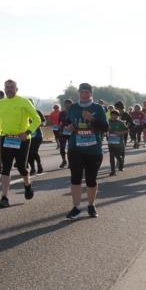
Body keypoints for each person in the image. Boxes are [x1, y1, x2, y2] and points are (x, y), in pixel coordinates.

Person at [0, 79, 40, 208]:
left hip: (22, 139)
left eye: (12, 87)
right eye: (7, 87)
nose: (9, 89)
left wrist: (27, 132)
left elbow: (37, 119)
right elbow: (1, 120)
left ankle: (27, 185)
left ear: (16, 89)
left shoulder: (24, 101)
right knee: (5, 168)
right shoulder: (1, 102)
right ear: (4, 89)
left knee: (21, 167)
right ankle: (4, 197)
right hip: (6, 139)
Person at [65, 83, 109, 219]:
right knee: (75, 178)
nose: (84, 94)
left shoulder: (98, 108)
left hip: (93, 149)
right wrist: (69, 127)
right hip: (75, 148)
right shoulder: (73, 107)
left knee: (91, 179)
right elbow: (67, 122)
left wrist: (92, 119)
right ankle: (76, 207)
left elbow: (105, 128)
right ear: (79, 92)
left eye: (86, 91)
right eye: (81, 91)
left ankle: (91, 205)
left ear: (91, 93)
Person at [107, 109, 128, 175]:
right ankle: (113, 171)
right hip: (111, 143)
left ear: (118, 116)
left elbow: (127, 130)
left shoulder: (120, 123)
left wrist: (120, 133)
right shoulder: (108, 122)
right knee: (111, 156)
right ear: (110, 116)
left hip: (119, 143)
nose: (114, 117)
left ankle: (121, 160)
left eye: (116, 116)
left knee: (118, 156)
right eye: (112, 115)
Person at [27, 108, 45, 176]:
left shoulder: (37, 111)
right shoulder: (23, 112)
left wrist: (39, 124)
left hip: (37, 136)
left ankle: (39, 164)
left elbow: (44, 122)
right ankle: (33, 168)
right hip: (27, 136)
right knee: (28, 153)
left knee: (33, 152)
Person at [55, 98, 73, 168]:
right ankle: (64, 161)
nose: (67, 105)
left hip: (71, 132)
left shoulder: (73, 112)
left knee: (70, 148)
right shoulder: (61, 113)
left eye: (68, 103)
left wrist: (70, 126)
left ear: (71, 105)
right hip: (63, 132)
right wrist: (61, 127)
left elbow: (75, 121)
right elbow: (59, 122)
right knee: (62, 148)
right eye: (66, 103)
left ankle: (70, 162)